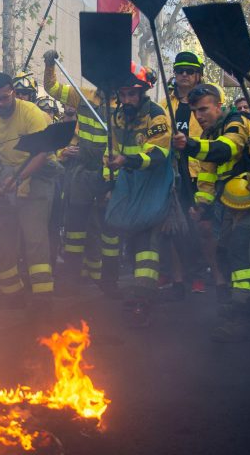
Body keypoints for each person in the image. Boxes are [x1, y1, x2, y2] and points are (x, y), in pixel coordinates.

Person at [173, 83, 250, 341]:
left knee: (240, 252)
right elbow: (207, 176)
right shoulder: (207, 135)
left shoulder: (235, 122)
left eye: (204, 109)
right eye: (194, 112)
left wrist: (190, 145)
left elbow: (228, 148)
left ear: (218, 105)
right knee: (225, 251)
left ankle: (241, 316)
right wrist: (202, 206)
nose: (199, 116)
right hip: (229, 204)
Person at [42, 49, 120, 293]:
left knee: (110, 231)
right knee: (75, 226)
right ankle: (70, 280)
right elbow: (52, 88)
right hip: (83, 173)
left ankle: (109, 282)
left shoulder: (125, 106)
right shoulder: (82, 96)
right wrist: (49, 64)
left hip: (110, 173)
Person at [0, 72, 58, 313]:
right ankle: (12, 293)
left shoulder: (32, 114)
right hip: (5, 177)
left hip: (38, 174)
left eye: (4, 98)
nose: (0, 104)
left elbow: (42, 154)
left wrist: (18, 179)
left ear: (12, 92)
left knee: (34, 238)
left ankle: (43, 298)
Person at [106, 63, 172, 327]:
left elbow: (158, 155)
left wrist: (126, 160)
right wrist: (108, 182)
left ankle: (143, 296)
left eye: (132, 94)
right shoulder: (118, 117)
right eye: (123, 94)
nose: (127, 100)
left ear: (143, 92)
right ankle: (140, 287)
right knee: (131, 236)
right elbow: (111, 151)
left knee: (147, 238)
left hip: (154, 181)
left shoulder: (157, 116)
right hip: (128, 180)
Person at [165, 51, 208, 295]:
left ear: (198, 75)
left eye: (189, 71)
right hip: (172, 176)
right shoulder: (165, 105)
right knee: (174, 228)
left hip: (198, 174)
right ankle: (177, 278)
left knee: (199, 228)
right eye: (179, 70)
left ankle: (200, 274)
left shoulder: (205, 102)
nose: (183, 75)